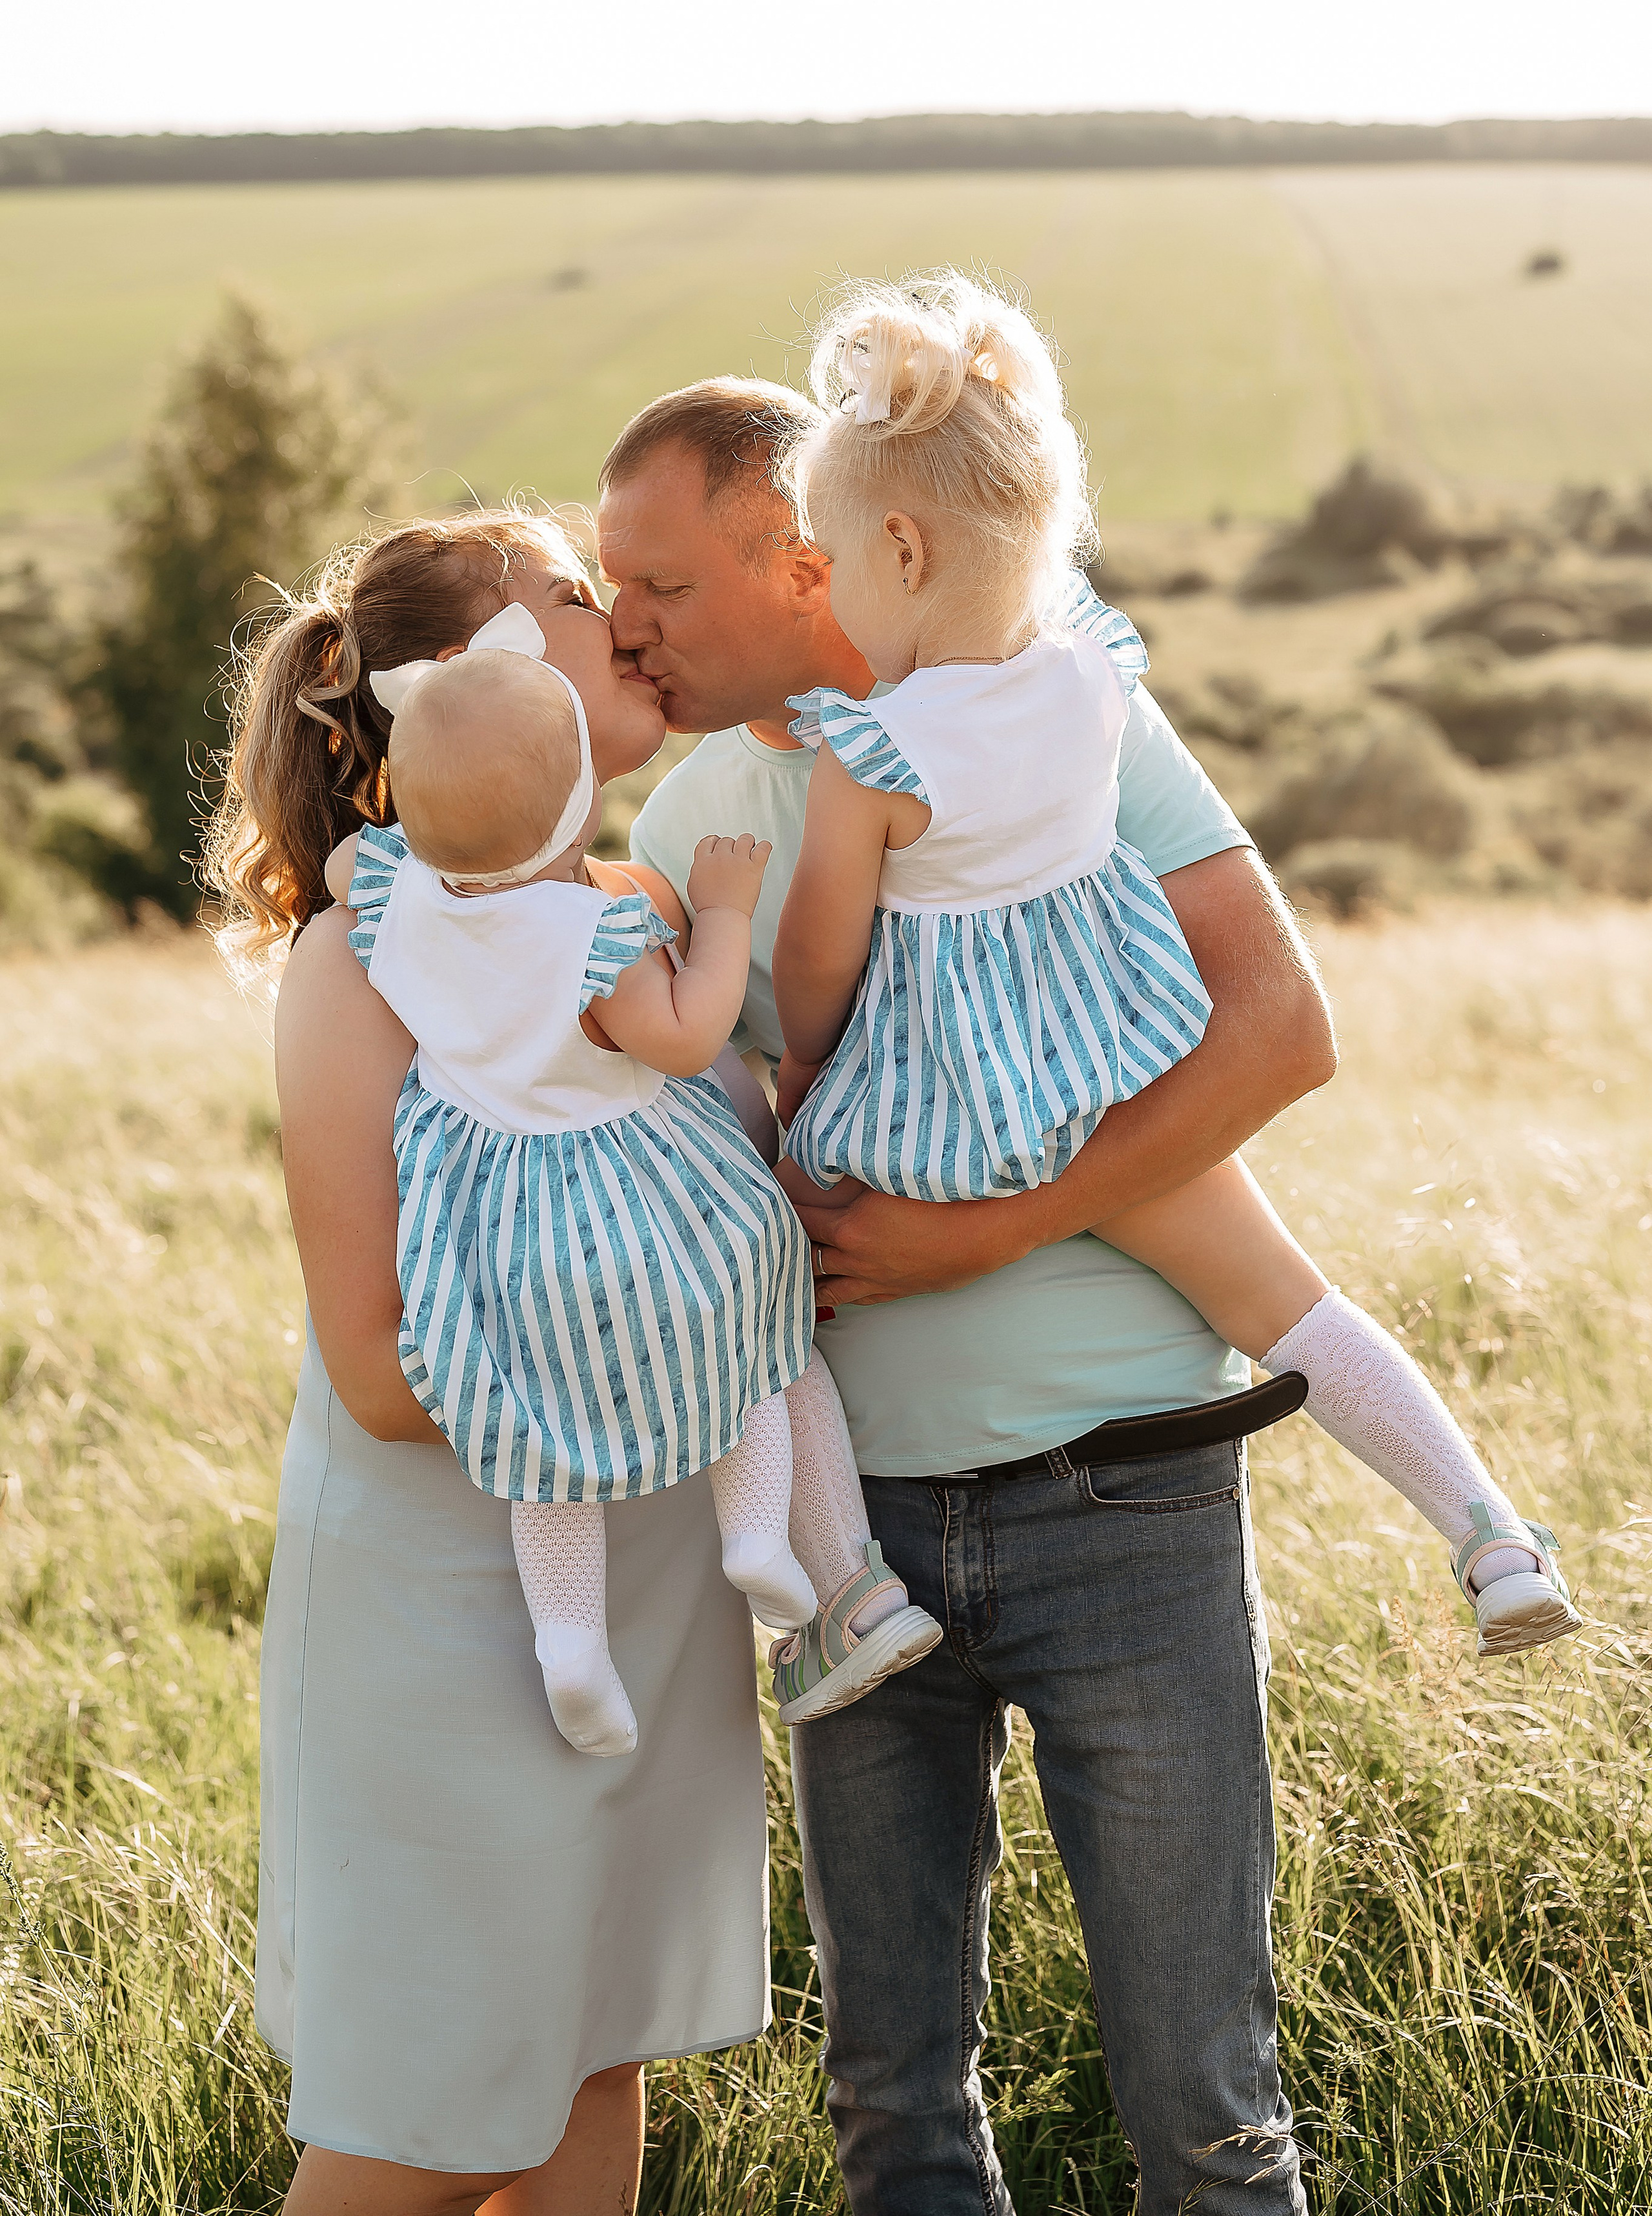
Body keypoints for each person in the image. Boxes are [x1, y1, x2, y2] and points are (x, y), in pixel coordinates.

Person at [601, 370, 1313, 2216]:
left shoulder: (1070, 708)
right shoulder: (691, 825)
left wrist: (994, 1229)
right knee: (895, 2111)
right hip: (861, 1544)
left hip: (1131, 1487)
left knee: (1211, 2108)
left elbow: (1283, 1033)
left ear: (806, 551)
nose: (632, 628)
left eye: (666, 586)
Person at [767, 272, 1577, 1672]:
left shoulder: (867, 752)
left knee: (769, 1289)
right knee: (1285, 1303)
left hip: (938, 1104)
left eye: (830, 561)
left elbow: (820, 961)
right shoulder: (1094, 675)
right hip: (1107, 1061)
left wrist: (799, 1071)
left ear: (898, 547)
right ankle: (1490, 1533)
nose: (828, 592)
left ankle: (853, 1593)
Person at [207, 513, 768, 2215]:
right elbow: (379, 1373)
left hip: (648, 1574)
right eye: (577, 599)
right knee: (429, 2112)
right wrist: (648, 1355)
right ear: (484, 674)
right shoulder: (356, 962)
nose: (619, 623)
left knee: (596, 2049)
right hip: (459, 1599)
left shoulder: (633, 914)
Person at [320, 598, 937, 1757]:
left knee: (543, 1451)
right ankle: (760, 1538)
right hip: (627, 1201)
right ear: (576, 806)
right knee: (752, 1321)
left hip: (498, 1234)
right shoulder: (585, 931)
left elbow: (359, 856)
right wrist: (721, 915)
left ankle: (572, 1648)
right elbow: (688, 1035)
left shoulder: (394, 908)